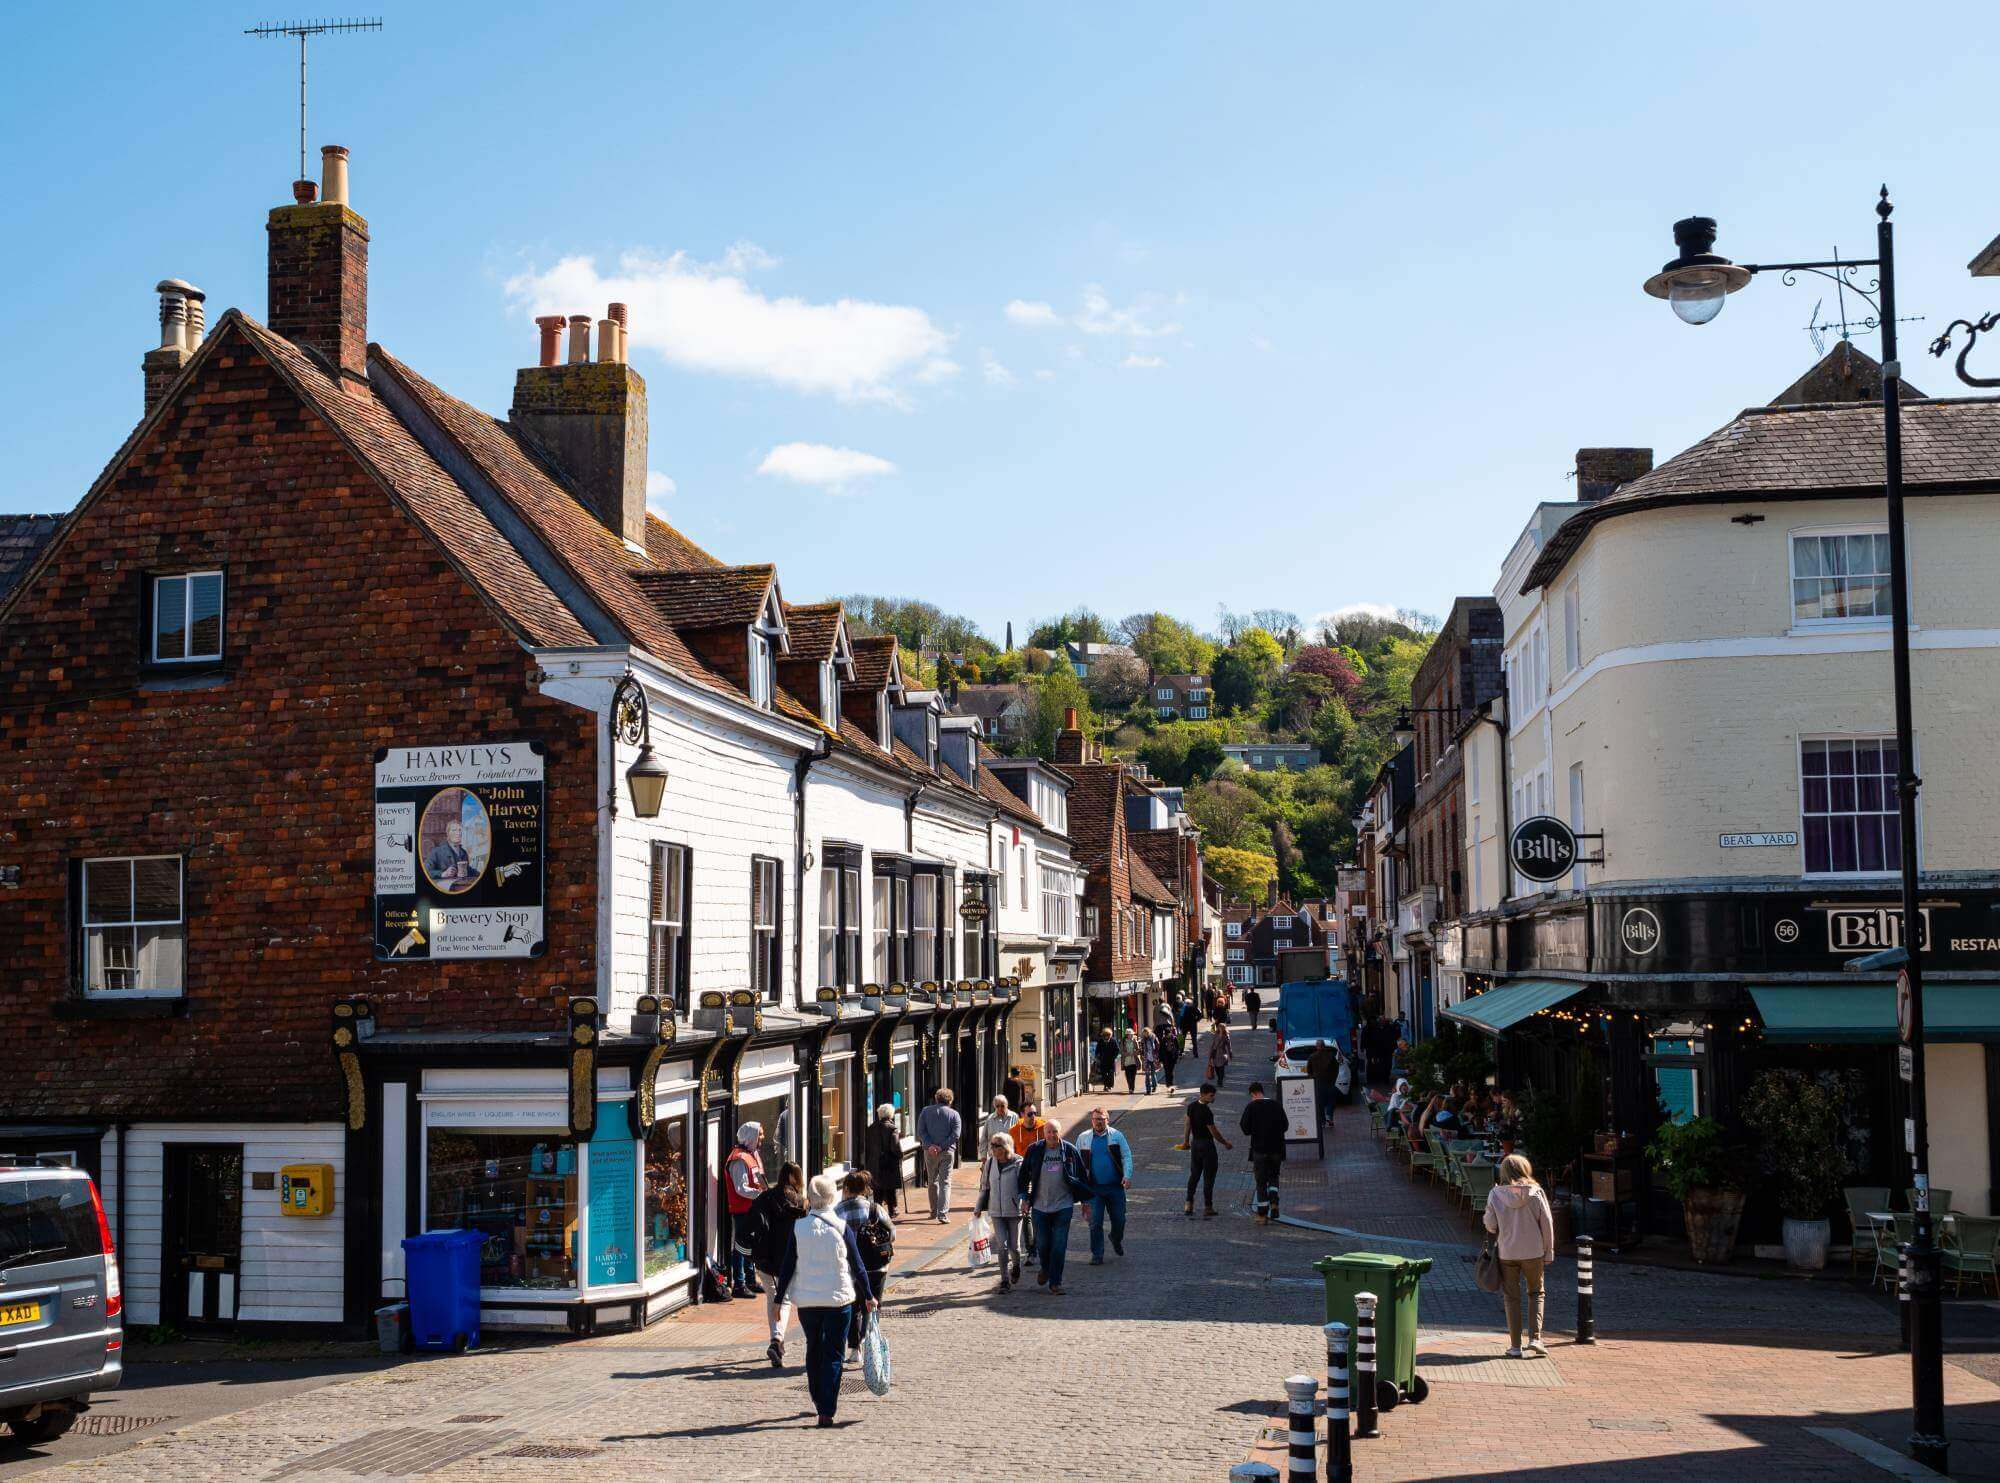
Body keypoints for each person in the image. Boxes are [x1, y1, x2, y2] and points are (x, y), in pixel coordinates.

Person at [775, 1174, 877, 1428]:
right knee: (833, 1354)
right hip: (838, 1301)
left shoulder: (799, 1228)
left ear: (811, 1196)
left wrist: (779, 1299)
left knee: (813, 1349)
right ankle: (826, 1408)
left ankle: (817, 1398)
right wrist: (868, 1295)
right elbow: (858, 1265)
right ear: (832, 1195)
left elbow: (787, 1266)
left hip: (808, 1302)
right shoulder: (841, 1227)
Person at [1483, 1153, 1556, 1358]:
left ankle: (1515, 1346)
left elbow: (1490, 1224)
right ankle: (1535, 1339)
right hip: (1533, 1251)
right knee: (1536, 1292)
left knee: (1511, 1298)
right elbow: (1547, 1224)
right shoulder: (1536, 1192)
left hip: (1507, 1252)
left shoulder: (1495, 1194)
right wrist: (1548, 1252)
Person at [1016, 1118, 1090, 1294]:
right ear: (1044, 1133)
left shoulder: (1070, 1151)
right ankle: (1045, 1268)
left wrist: (1086, 1202)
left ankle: (1055, 1282)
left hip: (1063, 1206)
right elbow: (1023, 1176)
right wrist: (1024, 1198)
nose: (1052, 1135)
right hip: (1040, 1206)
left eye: (1055, 1131)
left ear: (1059, 1132)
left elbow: (1082, 1177)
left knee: (1059, 1245)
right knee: (1043, 1244)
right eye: (1048, 1131)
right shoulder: (1034, 1150)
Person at [747, 1161, 807, 1366]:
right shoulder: (801, 1203)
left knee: (773, 1297)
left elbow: (751, 1226)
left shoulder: (765, 1198)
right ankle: (777, 1340)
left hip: (764, 1259)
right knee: (784, 1298)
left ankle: (777, 1340)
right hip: (787, 1260)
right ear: (792, 1178)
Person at [835, 1170, 895, 1362]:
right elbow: (892, 1233)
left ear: (846, 1189)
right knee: (873, 1305)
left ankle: (855, 1349)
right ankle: (870, 1341)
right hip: (876, 1267)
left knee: (852, 1308)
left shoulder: (838, 1211)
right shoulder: (874, 1209)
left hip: (850, 1269)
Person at [1073, 1107, 1132, 1263]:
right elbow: (1076, 1163)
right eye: (1095, 1119)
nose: (1098, 1122)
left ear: (1108, 1120)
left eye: (1101, 1119)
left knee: (1119, 1220)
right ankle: (1097, 1254)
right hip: (1093, 1189)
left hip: (1115, 1187)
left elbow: (1126, 1156)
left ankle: (1115, 1238)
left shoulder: (1117, 1136)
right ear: (1091, 1120)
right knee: (1095, 1223)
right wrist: (1079, 1186)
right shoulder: (1083, 1138)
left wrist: (1127, 1175)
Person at [975, 1132, 1025, 1291]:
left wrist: (1023, 1203)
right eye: (992, 1145)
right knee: (1002, 1246)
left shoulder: (1018, 1162)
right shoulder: (990, 1164)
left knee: (1014, 1246)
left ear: (1005, 1147)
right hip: (996, 1210)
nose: (993, 1149)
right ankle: (1004, 1280)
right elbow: (984, 1187)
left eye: (996, 1146)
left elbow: (1025, 1187)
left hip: (1014, 1211)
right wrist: (978, 1208)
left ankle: (1016, 1265)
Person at [724, 1122, 767, 1297]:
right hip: (742, 1209)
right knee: (740, 1247)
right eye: (760, 1134)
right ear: (751, 1136)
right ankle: (739, 1284)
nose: (763, 1137)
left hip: (752, 1208)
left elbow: (758, 1178)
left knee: (750, 1245)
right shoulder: (738, 1159)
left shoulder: (752, 1154)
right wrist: (760, 1194)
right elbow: (740, 1188)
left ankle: (750, 1279)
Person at [1239, 1081, 1289, 1223]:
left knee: (1261, 1182)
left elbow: (1245, 1128)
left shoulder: (1251, 1107)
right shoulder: (1276, 1105)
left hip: (1259, 1150)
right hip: (1276, 1149)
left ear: (1253, 1094)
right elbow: (1285, 1125)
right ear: (1262, 1091)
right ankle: (1274, 1202)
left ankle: (1262, 1215)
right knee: (1273, 1176)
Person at [1183, 1081, 1231, 1218]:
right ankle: (1208, 1207)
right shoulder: (1207, 1112)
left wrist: (1186, 1141)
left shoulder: (1191, 1107)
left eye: (1213, 1095)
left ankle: (1188, 1203)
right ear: (1203, 1094)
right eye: (1211, 1096)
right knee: (1209, 1177)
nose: (1213, 1098)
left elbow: (1187, 1125)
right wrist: (1225, 1143)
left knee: (1194, 1175)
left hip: (1195, 1144)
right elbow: (1213, 1131)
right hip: (1207, 1146)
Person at [915, 1089, 963, 1223]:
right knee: (945, 1182)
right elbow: (955, 1134)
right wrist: (941, 1146)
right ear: (950, 1100)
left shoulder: (925, 1111)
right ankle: (942, 1214)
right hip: (947, 1151)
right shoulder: (954, 1114)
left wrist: (930, 1145)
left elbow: (921, 1131)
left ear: (936, 1099)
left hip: (929, 1152)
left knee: (932, 1181)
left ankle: (933, 1211)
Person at [862, 1103, 905, 1219]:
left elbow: (867, 1147)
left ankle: (877, 1211)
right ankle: (892, 1210)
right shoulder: (892, 1128)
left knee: (877, 1188)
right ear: (891, 1115)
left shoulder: (871, 1128)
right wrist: (900, 1155)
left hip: (874, 1163)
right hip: (888, 1163)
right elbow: (895, 1146)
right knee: (890, 1187)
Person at [1205, 1021, 1232, 1087]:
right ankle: (1219, 1079)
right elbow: (1213, 1045)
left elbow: (1229, 1046)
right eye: (1219, 1027)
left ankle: (1220, 1081)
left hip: (1222, 1054)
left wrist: (1230, 1054)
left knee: (1221, 1068)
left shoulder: (1226, 1036)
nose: (1219, 1029)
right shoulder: (1215, 1035)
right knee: (1216, 1068)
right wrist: (1210, 1053)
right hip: (1215, 1054)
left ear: (1223, 1028)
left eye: (1221, 1028)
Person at [1118, 1026, 1141, 1093]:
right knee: (1128, 1076)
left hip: (1134, 1061)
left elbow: (1138, 1050)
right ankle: (1130, 1087)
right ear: (1127, 1035)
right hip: (1126, 1061)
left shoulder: (1134, 1040)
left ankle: (1132, 1088)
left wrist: (1135, 1052)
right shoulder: (1123, 1041)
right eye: (1130, 1034)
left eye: (1132, 1034)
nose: (1131, 1035)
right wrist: (1127, 1054)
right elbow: (1121, 1051)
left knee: (1133, 1076)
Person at [1139, 1025, 1160, 1094]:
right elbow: (1141, 1049)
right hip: (1146, 1059)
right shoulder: (1143, 1040)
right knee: (1147, 1075)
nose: (1145, 1035)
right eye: (1144, 1034)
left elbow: (1158, 1046)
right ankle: (1148, 1089)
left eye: (1146, 1033)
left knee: (1153, 1074)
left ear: (1149, 1032)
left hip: (1153, 1058)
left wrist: (1157, 1055)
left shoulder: (1154, 1038)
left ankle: (1154, 1086)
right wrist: (1142, 1055)